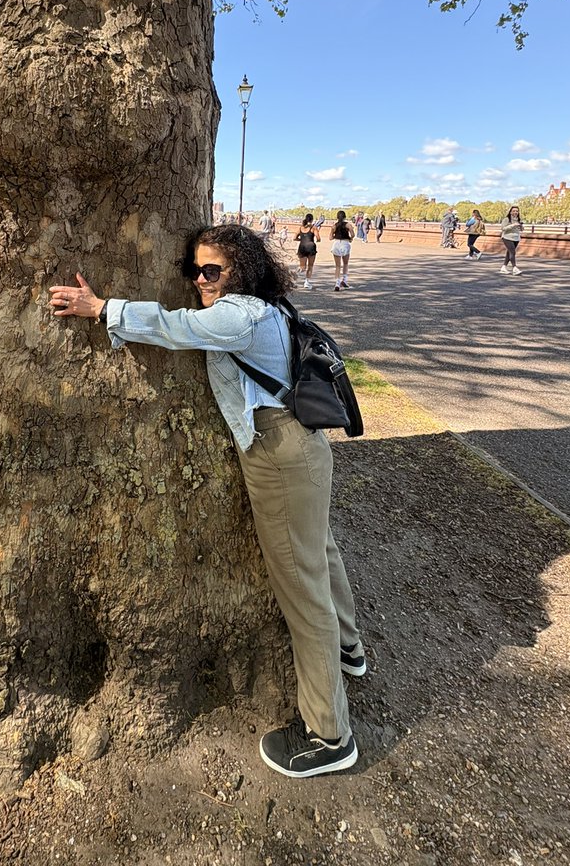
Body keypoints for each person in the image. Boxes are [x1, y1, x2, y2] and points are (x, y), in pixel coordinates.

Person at [48, 226, 364, 779]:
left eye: (212, 270)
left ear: (240, 270)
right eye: (194, 270)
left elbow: (175, 328)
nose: (199, 280)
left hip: (279, 452)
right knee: (321, 554)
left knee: (300, 585)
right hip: (302, 449)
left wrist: (100, 308)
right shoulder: (271, 308)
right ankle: (349, 652)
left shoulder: (239, 315)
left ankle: (329, 735)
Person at [330, 210, 355, 291]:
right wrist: (350, 239)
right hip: (345, 243)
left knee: (337, 265)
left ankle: (337, 283)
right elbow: (353, 234)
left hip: (336, 243)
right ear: (344, 217)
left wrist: (335, 236)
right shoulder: (348, 225)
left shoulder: (334, 226)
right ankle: (344, 280)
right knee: (345, 263)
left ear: (337, 217)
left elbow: (330, 237)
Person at [294, 213, 320, 290]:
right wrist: (316, 240)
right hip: (311, 247)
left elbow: (294, 237)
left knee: (302, 267)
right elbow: (318, 238)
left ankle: (294, 277)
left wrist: (301, 239)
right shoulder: (313, 228)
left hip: (302, 247)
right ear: (312, 220)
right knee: (310, 266)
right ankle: (307, 282)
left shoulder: (300, 228)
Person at [500, 206, 524, 274]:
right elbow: (503, 228)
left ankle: (503, 267)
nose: (515, 212)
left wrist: (521, 226)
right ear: (510, 212)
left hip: (516, 238)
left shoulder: (518, 220)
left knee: (509, 253)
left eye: (517, 211)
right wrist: (512, 225)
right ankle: (514, 268)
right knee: (512, 252)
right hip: (507, 237)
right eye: (514, 211)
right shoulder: (506, 219)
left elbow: (521, 230)